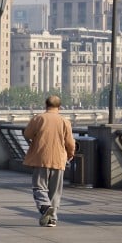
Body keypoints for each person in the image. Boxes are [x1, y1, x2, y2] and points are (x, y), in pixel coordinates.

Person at [23, 95, 77, 228]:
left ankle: (44, 206)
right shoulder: (65, 121)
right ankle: (52, 219)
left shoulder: (38, 118)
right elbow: (70, 142)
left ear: (45, 105)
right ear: (60, 107)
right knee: (55, 191)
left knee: (39, 186)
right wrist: (70, 154)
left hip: (41, 158)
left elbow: (27, 134)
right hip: (59, 159)